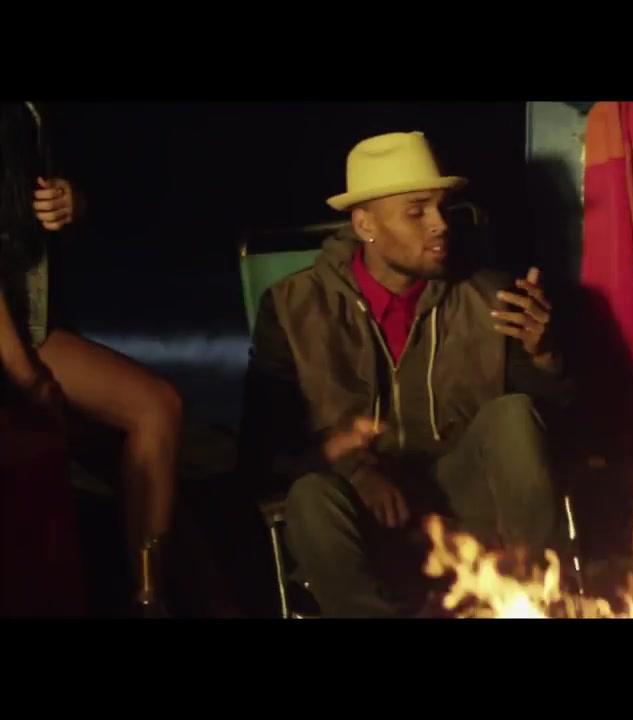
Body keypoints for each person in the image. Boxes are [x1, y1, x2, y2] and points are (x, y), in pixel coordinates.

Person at [240, 131, 571, 617]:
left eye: (442, 208)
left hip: (465, 504)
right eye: (417, 212)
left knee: (514, 414)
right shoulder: (296, 307)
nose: (440, 224)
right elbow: (265, 447)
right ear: (365, 225)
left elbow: (547, 429)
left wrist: (544, 358)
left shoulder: (489, 295)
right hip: (369, 518)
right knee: (310, 496)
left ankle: (537, 603)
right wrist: (354, 469)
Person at [0, 101, 182, 614]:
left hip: (33, 323)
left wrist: (73, 199)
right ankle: (150, 600)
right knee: (156, 408)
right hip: (16, 335)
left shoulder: (37, 113)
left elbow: (122, 192)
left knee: (153, 466)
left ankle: (156, 590)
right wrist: (27, 375)